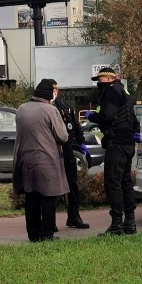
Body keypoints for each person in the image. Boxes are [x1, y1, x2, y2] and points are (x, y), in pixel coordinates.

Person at [85, 66, 140, 235]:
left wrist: (91, 116)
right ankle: (130, 222)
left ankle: (116, 224)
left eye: (100, 80)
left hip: (116, 143)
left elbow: (107, 116)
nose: (98, 84)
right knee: (125, 183)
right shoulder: (126, 94)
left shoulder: (111, 91)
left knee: (113, 183)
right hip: (128, 143)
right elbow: (135, 122)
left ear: (109, 79)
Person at [12, 78, 69, 242]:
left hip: (25, 160)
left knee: (31, 197)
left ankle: (33, 234)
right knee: (49, 197)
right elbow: (63, 136)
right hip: (46, 160)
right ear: (50, 94)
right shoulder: (50, 110)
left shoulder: (21, 109)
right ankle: (47, 233)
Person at [53, 87, 91, 229]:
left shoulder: (64, 105)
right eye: (52, 89)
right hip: (53, 150)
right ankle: (50, 221)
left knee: (72, 183)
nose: (54, 92)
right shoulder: (46, 107)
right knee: (54, 185)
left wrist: (81, 142)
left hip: (67, 148)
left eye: (56, 89)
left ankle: (74, 217)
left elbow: (74, 124)